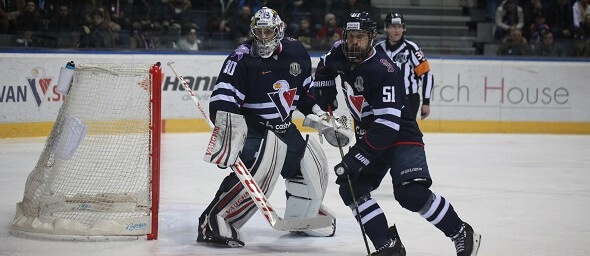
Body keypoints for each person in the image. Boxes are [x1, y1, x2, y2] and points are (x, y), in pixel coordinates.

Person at [312, 10, 481, 256]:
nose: (354, 42)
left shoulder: (383, 70)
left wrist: (356, 156)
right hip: (372, 134)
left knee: (409, 193)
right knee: (351, 188)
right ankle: (388, 245)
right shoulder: (339, 51)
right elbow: (325, 66)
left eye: (360, 36)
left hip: (400, 133)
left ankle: (461, 232)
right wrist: (324, 91)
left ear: (371, 38)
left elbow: (387, 127)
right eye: (350, 36)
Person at [197, 7, 349, 248]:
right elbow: (222, 99)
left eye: (269, 31)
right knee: (259, 173)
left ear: (279, 31)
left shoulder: (296, 52)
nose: (264, 37)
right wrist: (229, 132)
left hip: (284, 127)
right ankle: (214, 220)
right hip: (254, 128)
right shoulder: (241, 58)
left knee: (311, 164)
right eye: (259, 32)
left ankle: (303, 216)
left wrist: (319, 115)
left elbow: (304, 95)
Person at [376, 12, 433, 120]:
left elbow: (426, 75)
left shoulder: (411, 48)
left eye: (399, 27)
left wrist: (426, 102)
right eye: (393, 27)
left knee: (406, 135)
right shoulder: (378, 50)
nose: (397, 30)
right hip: (384, 99)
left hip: (409, 99)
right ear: (386, 28)